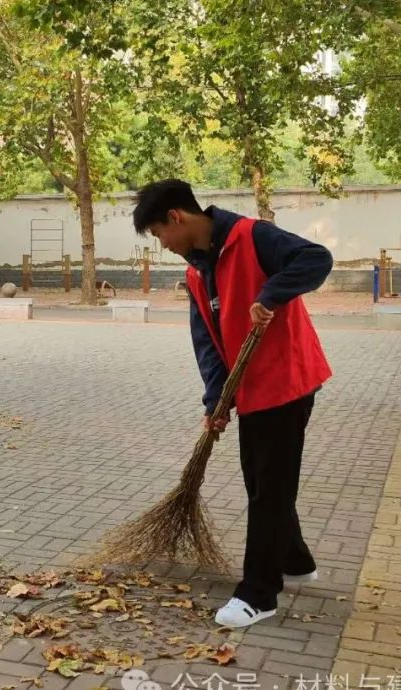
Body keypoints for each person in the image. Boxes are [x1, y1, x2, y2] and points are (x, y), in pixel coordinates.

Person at [132, 179, 334, 628]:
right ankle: (296, 562)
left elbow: (317, 259)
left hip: (287, 380)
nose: (163, 246)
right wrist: (216, 399)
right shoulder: (195, 272)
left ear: (176, 218)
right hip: (248, 388)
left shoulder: (253, 236)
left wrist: (269, 294)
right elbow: (206, 339)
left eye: (159, 235)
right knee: (266, 481)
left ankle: (259, 593)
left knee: (267, 487)